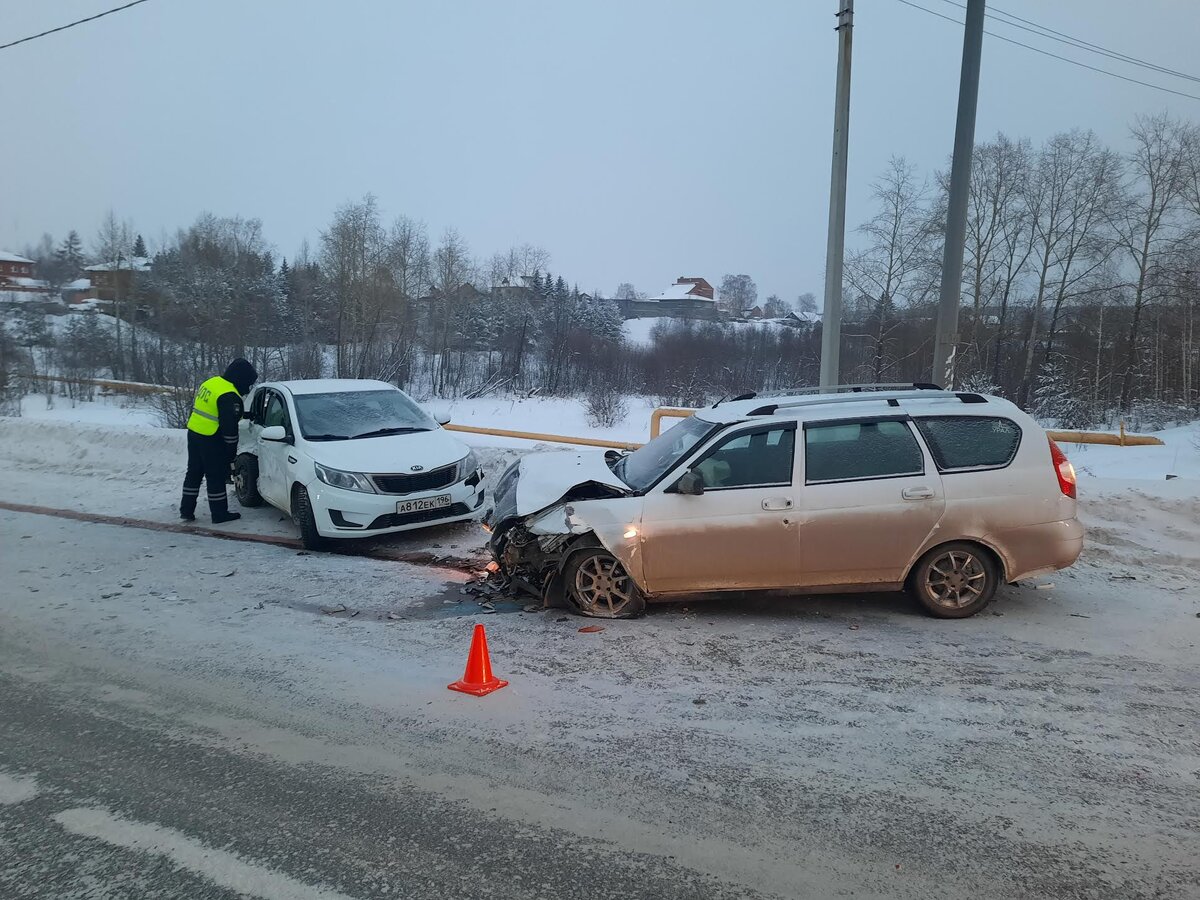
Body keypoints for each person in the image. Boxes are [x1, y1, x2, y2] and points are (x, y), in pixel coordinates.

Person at [180, 358, 258, 524]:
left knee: (193, 472)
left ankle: (186, 510)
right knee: (215, 475)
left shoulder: (213, 382)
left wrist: (244, 414)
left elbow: (217, 410)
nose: (248, 388)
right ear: (241, 379)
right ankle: (219, 514)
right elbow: (230, 432)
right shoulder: (230, 396)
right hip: (210, 437)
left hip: (194, 432)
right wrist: (230, 455)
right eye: (248, 383)